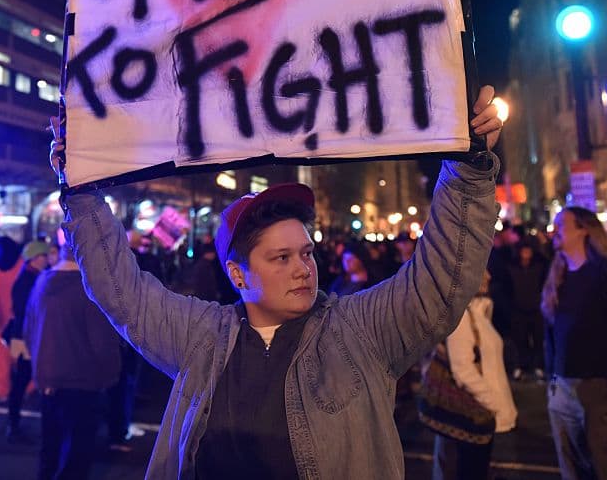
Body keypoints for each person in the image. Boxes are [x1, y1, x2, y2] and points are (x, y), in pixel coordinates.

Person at [49, 86, 503, 478]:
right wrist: (81, 190)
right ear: (238, 274)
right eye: (281, 258)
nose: (303, 268)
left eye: (306, 252)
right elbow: (121, 292)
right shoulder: (200, 336)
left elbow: (439, 282)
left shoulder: (358, 331)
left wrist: (468, 169)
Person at [543, 207, 607, 479]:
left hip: (599, 389)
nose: (555, 230)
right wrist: (552, 379)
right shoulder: (558, 275)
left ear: (584, 230)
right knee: (572, 470)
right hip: (562, 387)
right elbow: (551, 333)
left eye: (561, 224)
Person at [23, 245, 121, 479]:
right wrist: (111, 373)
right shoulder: (89, 289)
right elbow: (102, 342)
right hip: (82, 379)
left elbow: (29, 330)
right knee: (77, 452)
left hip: (47, 377)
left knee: (50, 447)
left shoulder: (42, 283)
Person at [425, 270, 517, 480]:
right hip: (470, 415)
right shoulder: (462, 317)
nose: (489, 276)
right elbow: (463, 370)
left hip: (479, 414)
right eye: (482, 270)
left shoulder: (478, 311)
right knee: (467, 470)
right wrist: (493, 402)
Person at [5, 240, 51, 443]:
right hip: (26, 337)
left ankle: (13, 423)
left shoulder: (30, 277)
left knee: (21, 380)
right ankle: (13, 424)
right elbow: (25, 311)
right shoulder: (30, 280)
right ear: (34, 258)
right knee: (22, 380)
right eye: (44, 256)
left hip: (23, 335)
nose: (47, 259)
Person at [0, 236, 23, 399]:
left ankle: (0, 390)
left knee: (0, 358)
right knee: (21, 356)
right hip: (18, 318)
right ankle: (26, 389)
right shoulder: (21, 265)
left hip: (0, 319)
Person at [508, 240, 546, 381]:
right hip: (519, 309)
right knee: (520, 339)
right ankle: (521, 366)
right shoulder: (512, 268)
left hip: (536, 309)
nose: (526, 253)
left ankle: (538, 367)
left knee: (538, 339)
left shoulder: (539, 267)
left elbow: (543, 284)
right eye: (523, 250)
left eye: (528, 250)